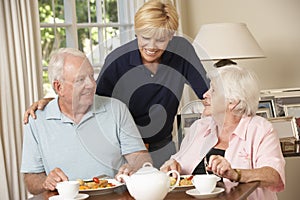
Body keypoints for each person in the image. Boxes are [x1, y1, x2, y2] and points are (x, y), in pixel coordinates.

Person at [23, 0, 209, 168]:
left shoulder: (182, 50)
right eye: (145, 37)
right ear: (136, 32)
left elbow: (209, 93)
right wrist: (55, 101)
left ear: (171, 36)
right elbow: (92, 103)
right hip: (125, 154)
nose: (152, 46)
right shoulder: (117, 61)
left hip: (164, 148)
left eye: (160, 40)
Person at [20, 48, 152, 195]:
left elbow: (141, 158)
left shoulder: (116, 109)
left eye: (91, 76)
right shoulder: (36, 120)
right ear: (59, 87)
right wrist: (45, 181)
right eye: (80, 80)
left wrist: (135, 167)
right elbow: (31, 179)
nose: (91, 84)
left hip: (114, 197)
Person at [160, 65, 285, 199]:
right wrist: (171, 166)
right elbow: (177, 163)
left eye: (213, 90)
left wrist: (235, 174)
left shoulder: (260, 129)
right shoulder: (199, 127)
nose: (205, 95)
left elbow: (274, 175)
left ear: (233, 103)